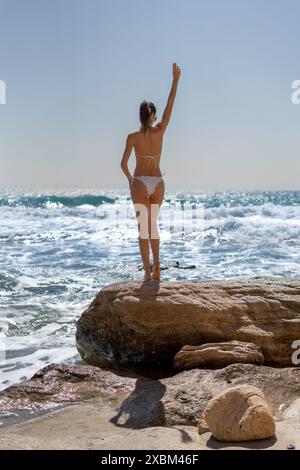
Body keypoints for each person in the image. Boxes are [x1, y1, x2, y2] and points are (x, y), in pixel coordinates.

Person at [121, 63, 181, 281]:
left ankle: (146, 273)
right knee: (153, 226)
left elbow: (123, 164)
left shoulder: (132, 137)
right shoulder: (160, 131)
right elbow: (170, 105)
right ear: (153, 115)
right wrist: (175, 81)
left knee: (143, 229)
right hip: (157, 181)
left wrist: (130, 179)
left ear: (139, 116)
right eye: (154, 115)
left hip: (139, 182)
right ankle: (157, 268)